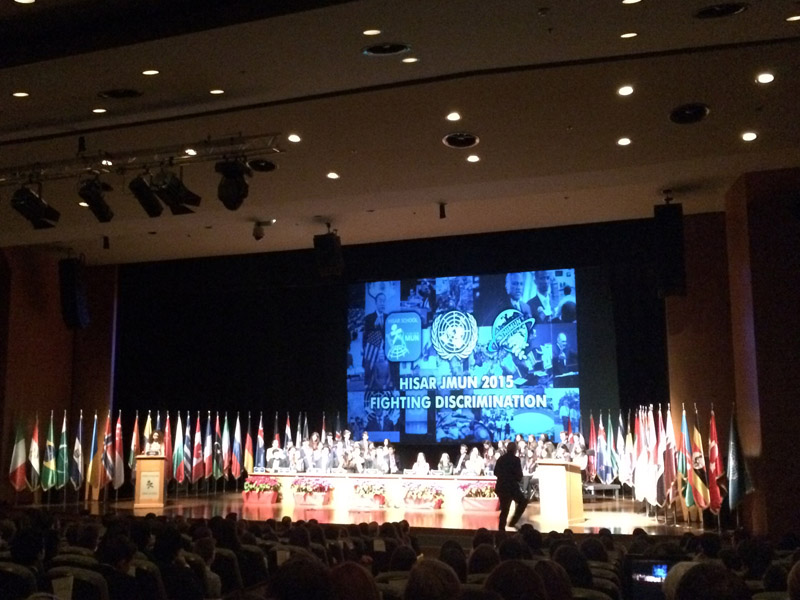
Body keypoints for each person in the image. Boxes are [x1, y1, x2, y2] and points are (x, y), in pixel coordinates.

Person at [493, 441, 528, 530]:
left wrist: (503, 477)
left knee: (504, 510)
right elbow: (519, 475)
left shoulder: (501, 459)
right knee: (523, 502)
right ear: (515, 450)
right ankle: (513, 522)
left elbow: (495, 472)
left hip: (502, 487)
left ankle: (501, 530)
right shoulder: (516, 460)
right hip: (512, 487)